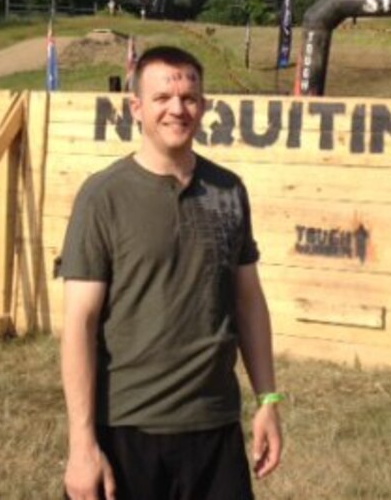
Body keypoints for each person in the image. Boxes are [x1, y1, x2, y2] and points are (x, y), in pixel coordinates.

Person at [60, 45, 283, 500]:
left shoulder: (228, 191)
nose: (177, 109)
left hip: (215, 426)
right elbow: (79, 323)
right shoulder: (103, 197)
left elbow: (248, 302)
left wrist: (268, 400)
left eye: (189, 97)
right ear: (137, 107)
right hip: (128, 429)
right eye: (162, 97)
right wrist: (82, 445)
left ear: (204, 107)